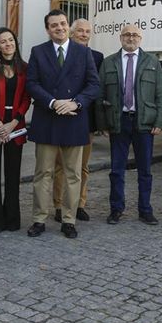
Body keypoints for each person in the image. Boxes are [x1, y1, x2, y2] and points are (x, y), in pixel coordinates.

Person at [26, 9, 100, 239]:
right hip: (47, 118)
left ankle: (69, 219)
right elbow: (31, 83)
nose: (59, 28)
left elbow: (94, 85)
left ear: (68, 25)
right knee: (43, 173)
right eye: (54, 25)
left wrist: (76, 103)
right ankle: (39, 219)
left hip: (74, 120)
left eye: (63, 23)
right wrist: (52, 101)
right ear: (48, 29)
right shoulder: (38, 52)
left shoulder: (82, 52)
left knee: (73, 174)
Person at [97, 24, 162, 225]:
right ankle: (116, 209)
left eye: (135, 35)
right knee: (117, 169)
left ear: (141, 38)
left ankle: (145, 210)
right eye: (127, 34)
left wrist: (159, 121)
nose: (131, 38)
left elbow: (160, 95)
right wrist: (103, 124)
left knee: (145, 170)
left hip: (144, 123)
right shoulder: (109, 62)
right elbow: (100, 96)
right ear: (120, 38)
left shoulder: (152, 62)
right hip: (118, 121)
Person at [52, 18, 103, 223]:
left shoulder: (98, 57)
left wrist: (101, 123)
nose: (83, 34)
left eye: (87, 31)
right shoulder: (60, 54)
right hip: (60, 117)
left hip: (86, 119)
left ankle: (79, 204)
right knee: (59, 165)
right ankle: (58, 205)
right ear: (71, 33)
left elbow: (98, 88)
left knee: (82, 166)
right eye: (79, 31)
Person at [0, 27, 31, 232]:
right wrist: (0, 124)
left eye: (10, 40)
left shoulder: (25, 67)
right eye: (3, 41)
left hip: (16, 125)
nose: (8, 44)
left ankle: (12, 219)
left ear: (15, 43)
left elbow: (27, 98)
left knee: (13, 174)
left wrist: (14, 122)